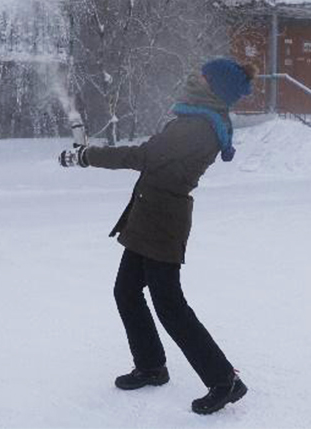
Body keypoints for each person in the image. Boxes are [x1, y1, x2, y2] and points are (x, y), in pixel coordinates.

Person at [58, 58, 256, 415]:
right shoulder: (195, 119)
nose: (196, 76)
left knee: (170, 305)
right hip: (148, 218)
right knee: (126, 291)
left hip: (163, 223)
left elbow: (143, 155)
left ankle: (224, 380)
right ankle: (151, 365)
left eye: (203, 75)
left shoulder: (198, 127)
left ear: (214, 86)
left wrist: (87, 156)